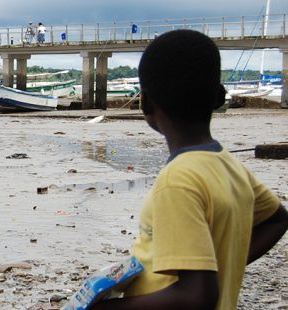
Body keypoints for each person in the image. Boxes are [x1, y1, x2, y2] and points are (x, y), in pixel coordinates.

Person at [91, 29, 288, 310]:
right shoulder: (230, 165)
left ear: (145, 102)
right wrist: (221, 265)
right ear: (217, 97)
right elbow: (277, 220)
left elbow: (196, 298)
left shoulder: (177, 181)